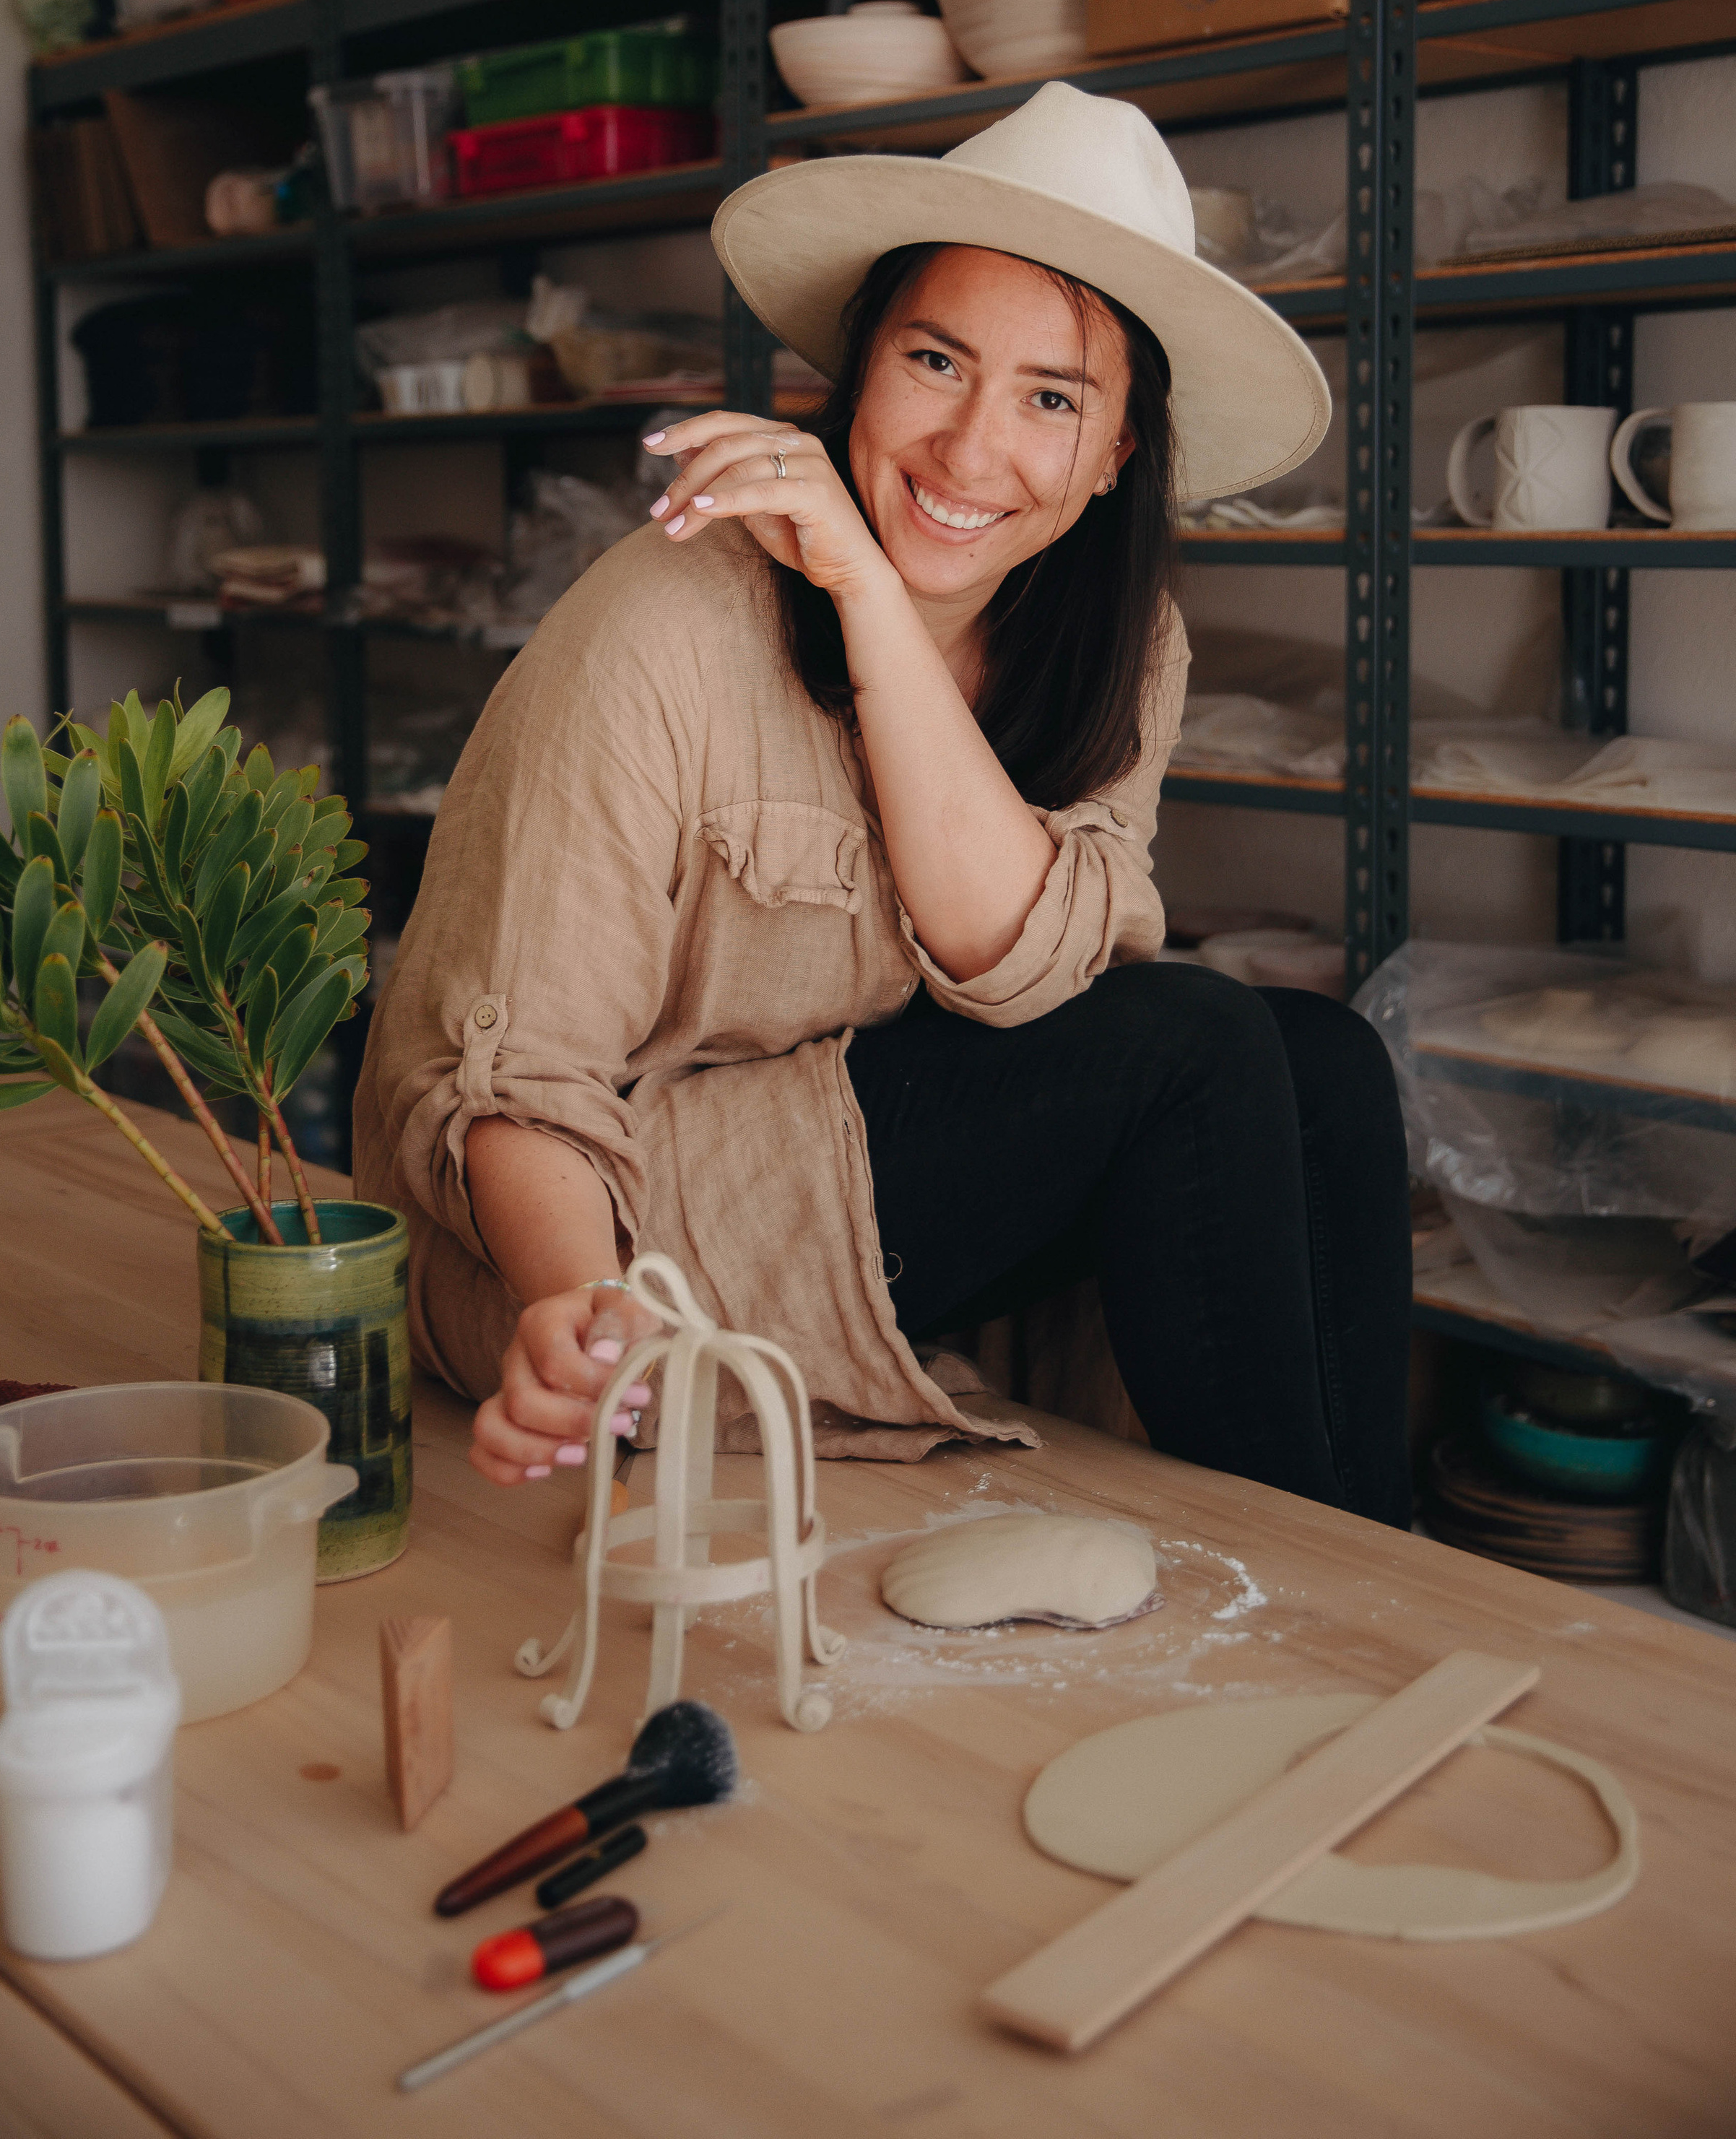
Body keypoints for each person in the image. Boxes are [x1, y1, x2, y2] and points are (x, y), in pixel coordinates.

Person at [354, 84, 1413, 1529]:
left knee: (1322, 1061)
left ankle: (1369, 1550)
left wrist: (876, 613)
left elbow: (1019, 965)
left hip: (860, 1162)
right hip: (607, 1248)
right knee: (1195, 1041)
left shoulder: (1121, 643)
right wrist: (581, 1313)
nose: (973, 450)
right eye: (934, 361)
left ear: (1114, 455)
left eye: (1052, 397)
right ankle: (1299, 1580)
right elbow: (519, 1073)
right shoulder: (663, 627)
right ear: (860, 370)